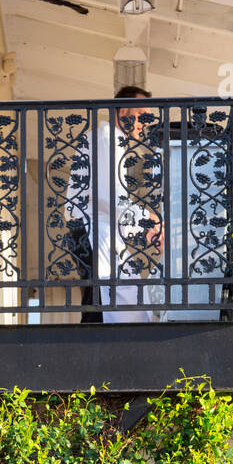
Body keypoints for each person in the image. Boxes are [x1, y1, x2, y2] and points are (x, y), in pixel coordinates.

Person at [65, 85, 163, 324]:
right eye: (140, 114)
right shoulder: (106, 139)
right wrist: (149, 220)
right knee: (99, 306)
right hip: (91, 233)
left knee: (116, 299)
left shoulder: (111, 141)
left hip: (101, 233)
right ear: (121, 111)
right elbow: (113, 198)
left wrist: (145, 224)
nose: (144, 122)